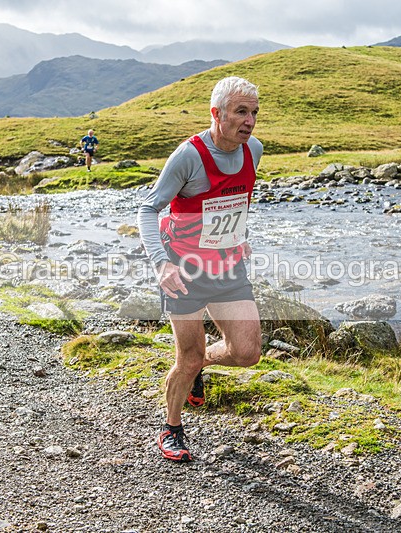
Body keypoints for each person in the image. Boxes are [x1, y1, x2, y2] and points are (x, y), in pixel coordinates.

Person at [137, 76, 263, 462]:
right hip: (184, 270)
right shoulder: (188, 157)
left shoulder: (253, 150)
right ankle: (171, 427)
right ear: (217, 113)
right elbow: (147, 208)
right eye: (241, 112)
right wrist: (161, 265)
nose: (250, 121)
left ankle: (199, 366)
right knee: (185, 358)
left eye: (254, 113)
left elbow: (234, 201)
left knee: (247, 353)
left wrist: (238, 235)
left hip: (227, 269)